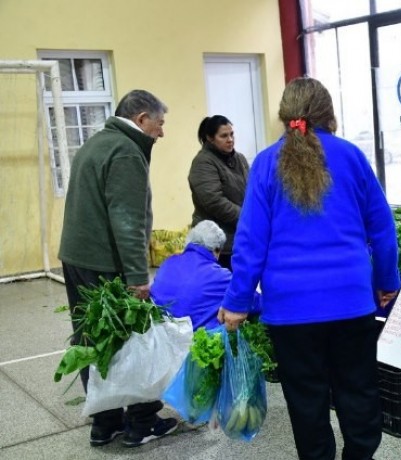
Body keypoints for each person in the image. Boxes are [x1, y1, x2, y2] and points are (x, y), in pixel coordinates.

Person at [218, 77, 401, 460]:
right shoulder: (351, 156)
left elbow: (251, 241)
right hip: (351, 302)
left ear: (286, 116)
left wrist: (237, 300)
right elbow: (383, 229)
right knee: (359, 391)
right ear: (327, 113)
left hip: (290, 310)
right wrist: (386, 281)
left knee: (307, 400)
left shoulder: (267, 162)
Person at [57, 89, 178, 448]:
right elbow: (127, 220)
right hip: (105, 264)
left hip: (77, 257)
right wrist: (138, 278)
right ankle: (141, 422)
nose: (161, 132)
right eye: (160, 123)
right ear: (141, 119)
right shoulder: (126, 151)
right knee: (131, 341)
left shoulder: (97, 143)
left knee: (91, 340)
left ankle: (105, 422)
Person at [150, 220, 259, 330]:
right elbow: (255, 301)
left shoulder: (167, 263)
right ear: (217, 250)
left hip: (160, 335)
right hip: (193, 340)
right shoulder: (220, 276)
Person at [188, 115, 250, 271]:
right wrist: (247, 217)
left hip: (239, 238)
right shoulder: (203, 162)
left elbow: (251, 190)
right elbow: (214, 201)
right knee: (220, 290)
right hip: (215, 244)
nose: (230, 139)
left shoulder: (240, 159)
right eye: (223, 136)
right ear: (210, 138)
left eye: (231, 134)